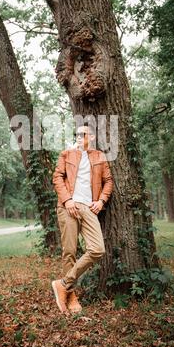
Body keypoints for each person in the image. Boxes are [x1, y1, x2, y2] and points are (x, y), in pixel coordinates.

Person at [52, 122, 114, 313]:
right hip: (68, 206)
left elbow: (108, 181)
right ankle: (71, 298)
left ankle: (63, 284)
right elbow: (57, 177)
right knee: (69, 251)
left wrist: (102, 201)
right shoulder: (66, 154)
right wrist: (67, 200)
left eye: (83, 134)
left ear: (92, 137)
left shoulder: (99, 157)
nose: (79, 137)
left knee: (97, 249)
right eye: (77, 134)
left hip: (89, 208)